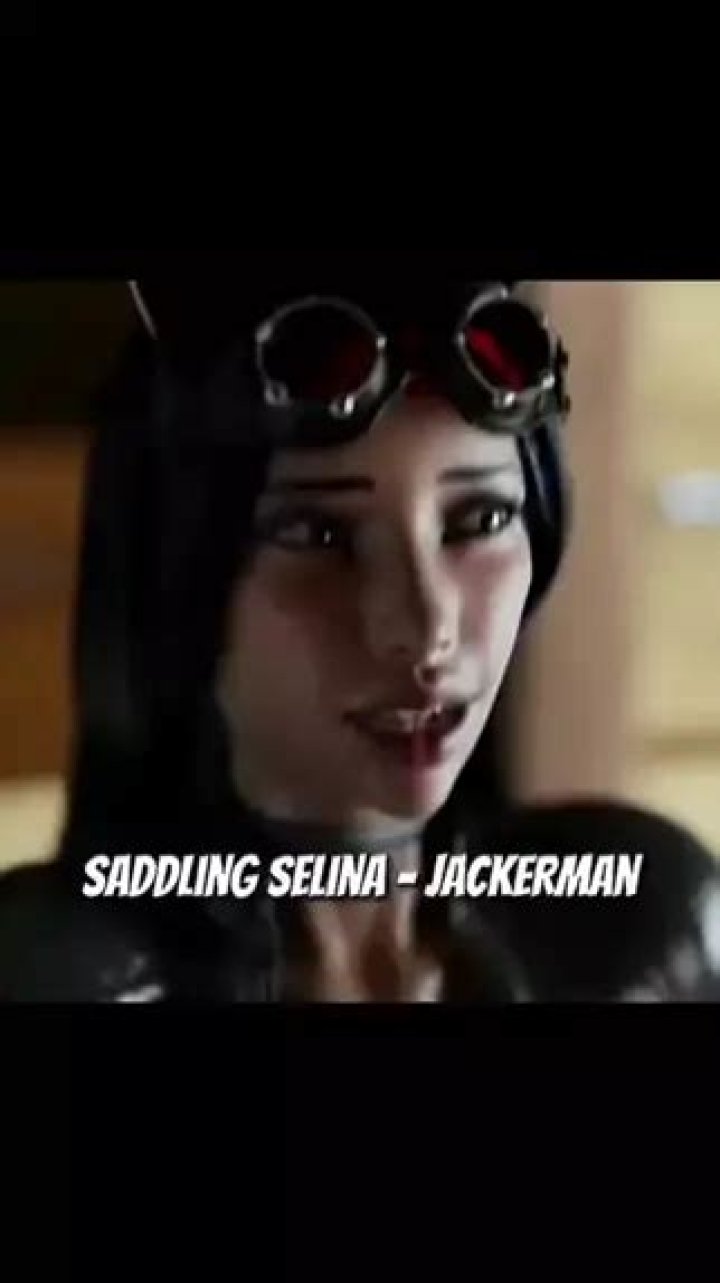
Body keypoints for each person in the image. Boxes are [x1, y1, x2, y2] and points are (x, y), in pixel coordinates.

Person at [0, 255, 718, 1002]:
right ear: (175, 576)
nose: (426, 629)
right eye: (316, 535)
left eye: (480, 519)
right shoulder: (61, 980)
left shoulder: (637, 934)